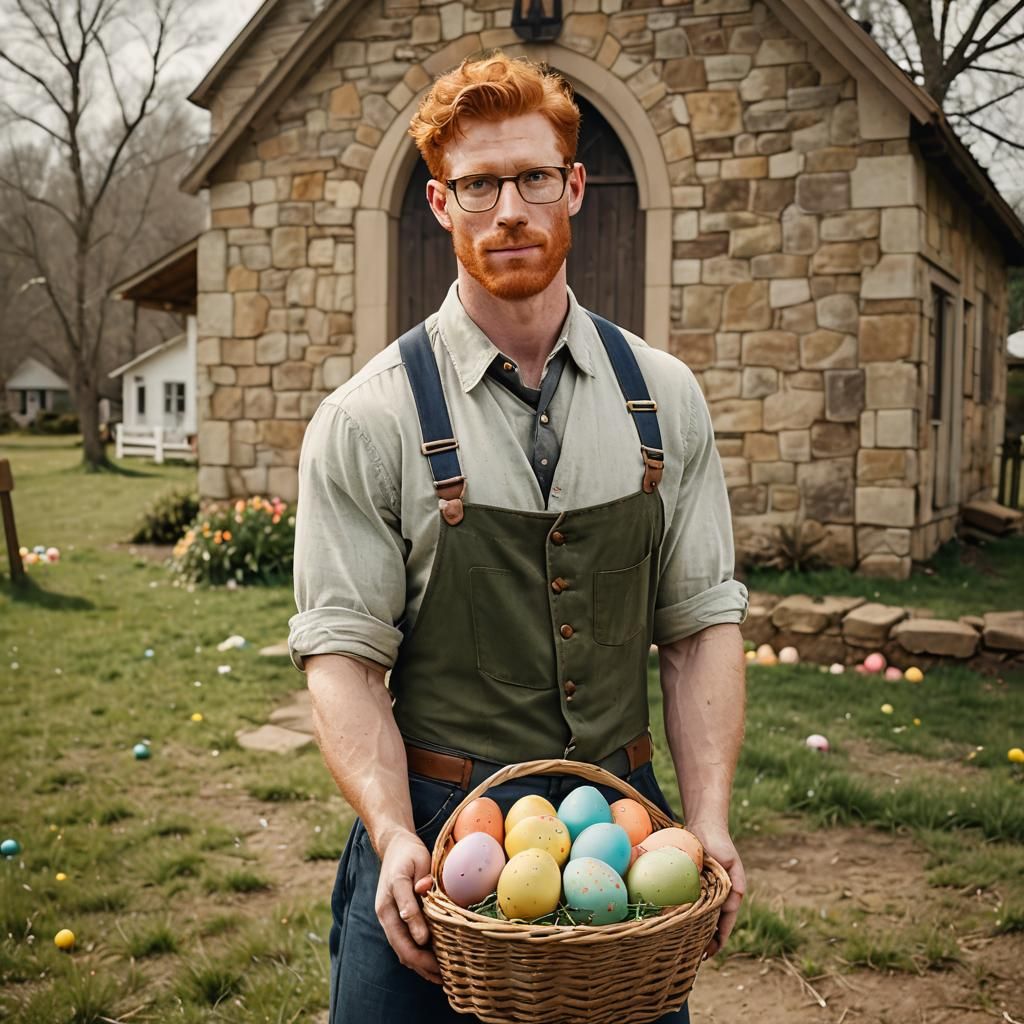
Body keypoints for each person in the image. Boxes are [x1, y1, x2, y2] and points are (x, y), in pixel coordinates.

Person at [288, 51, 749, 1024]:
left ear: (573, 186)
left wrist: (703, 820)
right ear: (438, 203)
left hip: (626, 848)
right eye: (479, 184)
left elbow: (701, 627)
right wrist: (388, 828)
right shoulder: (365, 420)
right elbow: (340, 658)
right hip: (431, 847)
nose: (509, 209)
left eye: (534, 177)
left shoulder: (663, 400)